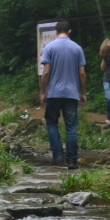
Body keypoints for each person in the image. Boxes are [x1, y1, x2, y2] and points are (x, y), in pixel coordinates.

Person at [39, 20, 87, 169]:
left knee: (52, 122)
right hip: (71, 94)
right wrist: (82, 92)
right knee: (71, 127)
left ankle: (58, 155)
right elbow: (82, 73)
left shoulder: (50, 47)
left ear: (55, 32)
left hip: (53, 93)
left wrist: (42, 91)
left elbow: (46, 72)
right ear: (70, 31)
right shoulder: (77, 48)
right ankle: (72, 159)